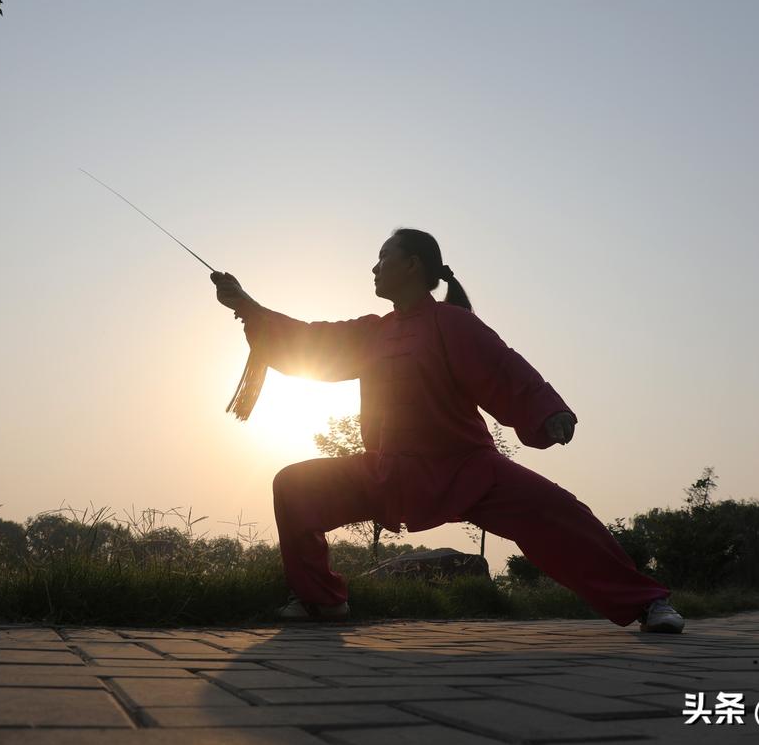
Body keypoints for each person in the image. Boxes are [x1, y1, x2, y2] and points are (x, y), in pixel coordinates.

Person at [211, 228, 685, 633]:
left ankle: (648, 603)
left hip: (465, 468)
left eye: (383, 257)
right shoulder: (371, 332)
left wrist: (548, 412)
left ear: (412, 265)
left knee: (560, 513)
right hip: (386, 471)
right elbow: (310, 339)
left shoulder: (454, 324)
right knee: (294, 486)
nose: (374, 268)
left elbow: (506, 370)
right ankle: (323, 601)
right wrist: (247, 304)